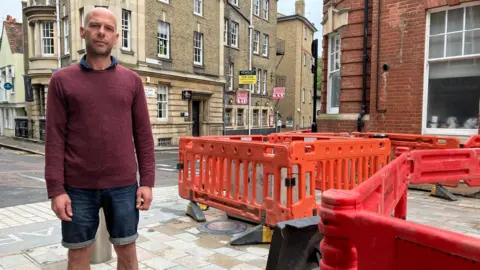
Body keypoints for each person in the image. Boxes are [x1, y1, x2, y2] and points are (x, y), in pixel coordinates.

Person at [44, 7, 155, 270]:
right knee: (78, 255)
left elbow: (143, 135)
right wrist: (56, 190)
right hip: (77, 188)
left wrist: (147, 182)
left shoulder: (132, 81)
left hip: (124, 186)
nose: (101, 32)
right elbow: (54, 138)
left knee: (127, 251)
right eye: (95, 26)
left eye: (108, 28)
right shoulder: (61, 80)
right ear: (83, 31)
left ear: (116, 37)